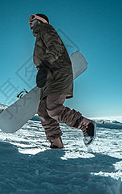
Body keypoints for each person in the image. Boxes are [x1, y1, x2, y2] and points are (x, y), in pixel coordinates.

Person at [29, 13, 96, 149]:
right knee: (43, 111)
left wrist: (46, 65)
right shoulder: (39, 37)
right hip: (49, 78)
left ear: (41, 21)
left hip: (58, 74)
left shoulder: (46, 29)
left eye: (33, 19)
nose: (30, 23)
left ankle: (87, 124)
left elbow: (56, 46)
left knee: (53, 108)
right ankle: (56, 143)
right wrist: (42, 72)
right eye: (29, 22)